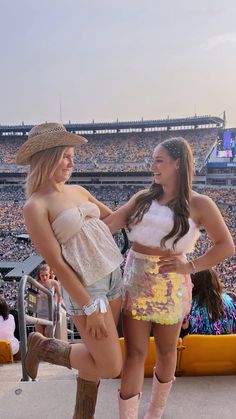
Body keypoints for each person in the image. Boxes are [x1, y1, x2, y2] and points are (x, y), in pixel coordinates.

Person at [104, 137, 235, 419]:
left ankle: (154, 415)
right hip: (136, 282)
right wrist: (80, 215)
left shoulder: (200, 204)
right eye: (152, 160)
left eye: (158, 160)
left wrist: (191, 267)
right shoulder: (142, 198)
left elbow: (226, 245)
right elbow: (111, 224)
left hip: (171, 287)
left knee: (166, 352)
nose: (152, 166)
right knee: (134, 354)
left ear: (178, 163)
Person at [15, 122, 124, 419]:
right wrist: (88, 307)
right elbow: (58, 264)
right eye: (65, 155)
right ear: (46, 157)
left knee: (94, 359)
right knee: (110, 366)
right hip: (88, 290)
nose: (72, 161)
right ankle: (44, 347)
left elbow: (113, 221)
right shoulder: (35, 206)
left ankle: (82, 416)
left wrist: (151, 202)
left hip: (114, 276)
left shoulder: (78, 189)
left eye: (72, 155)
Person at [181, 269, 236, 336]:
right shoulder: (232, 301)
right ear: (215, 281)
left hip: (196, 346)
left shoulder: (186, 307)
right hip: (228, 346)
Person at [35, 263, 62, 337]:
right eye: (42, 275)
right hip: (39, 312)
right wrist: (38, 296)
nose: (44, 277)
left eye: (46, 275)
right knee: (39, 336)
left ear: (49, 274)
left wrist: (58, 308)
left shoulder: (54, 283)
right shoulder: (36, 283)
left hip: (51, 313)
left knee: (48, 335)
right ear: (39, 275)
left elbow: (59, 296)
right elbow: (32, 296)